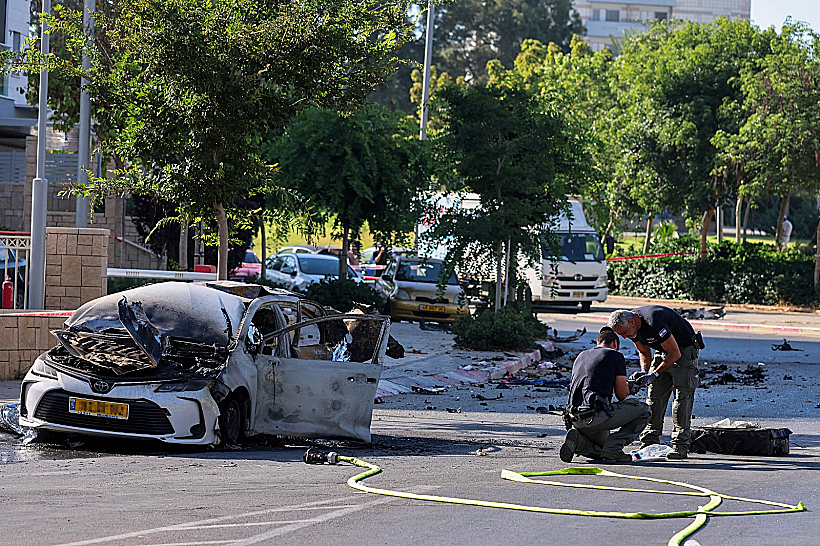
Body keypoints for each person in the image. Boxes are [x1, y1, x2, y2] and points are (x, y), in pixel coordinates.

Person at [608, 306, 703, 460]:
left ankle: (680, 445)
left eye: (624, 333)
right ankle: (649, 441)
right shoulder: (632, 327)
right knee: (654, 397)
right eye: (621, 335)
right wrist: (645, 371)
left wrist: (655, 373)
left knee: (681, 399)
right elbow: (644, 352)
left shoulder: (653, 321)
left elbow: (675, 353)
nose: (624, 337)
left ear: (631, 321)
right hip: (663, 350)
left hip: (684, 349)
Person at [560, 327, 651, 463]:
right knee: (644, 410)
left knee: (601, 450)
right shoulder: (615, 356)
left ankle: (579, 442)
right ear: (615, 343)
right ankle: (614, 448)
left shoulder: (582, 355)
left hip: (575, 418)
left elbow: (596, 386)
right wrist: (633, 386)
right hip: (595, 417)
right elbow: (621, 395)